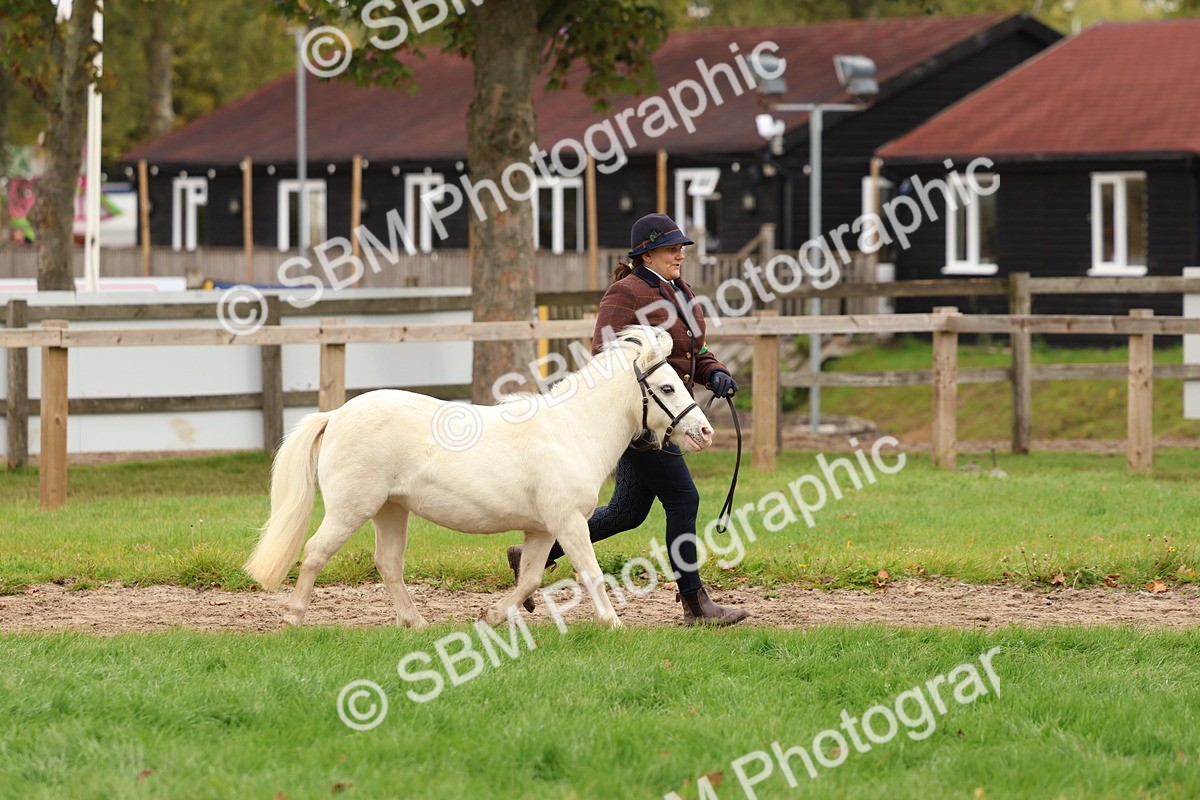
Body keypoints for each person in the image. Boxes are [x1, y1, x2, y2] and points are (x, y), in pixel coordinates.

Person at [507, 213, 749, 626]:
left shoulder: (682, 292)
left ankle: (537, 553)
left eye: (682, 248)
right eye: (672, 248)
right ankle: (696, 605)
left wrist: (715, 372)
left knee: (628, 511)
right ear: (646, 253)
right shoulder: (627, 293)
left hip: (667, 415)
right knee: (683, 499)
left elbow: (695, 351)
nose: (680, 254)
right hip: (640, 423)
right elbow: (604, 355)